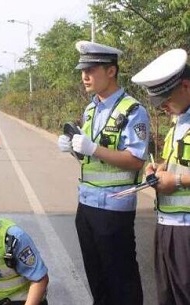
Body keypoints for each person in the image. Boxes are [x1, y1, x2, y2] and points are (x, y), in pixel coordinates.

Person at [57, 41, 150, 305]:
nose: (84, 76)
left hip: (114, 207)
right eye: (82, 70)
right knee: (97, 279)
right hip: (86, 206)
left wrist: (94, 148)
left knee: (121, 281)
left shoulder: (132, 110)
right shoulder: (90, 109)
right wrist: (75, 148)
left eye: (92, 69)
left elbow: (135, 160)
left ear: (111, 71)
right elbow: (91, 157)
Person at [132, 48, 190, 305]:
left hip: (187, 229)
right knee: (167, 296)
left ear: (186, 86)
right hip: (168, 223)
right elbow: (178, 160)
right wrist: (159, 169)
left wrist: (176, 181)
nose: (162, 107)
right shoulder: (180, 120)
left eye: (165, 100)